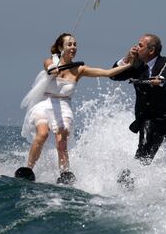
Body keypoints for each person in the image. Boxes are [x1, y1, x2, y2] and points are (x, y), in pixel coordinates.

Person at [17, 33, 133, 184]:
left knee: (62, 142)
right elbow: (49, 68)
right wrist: (53, 69)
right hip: (46, 104)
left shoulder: (80, 69)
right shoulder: (50, 61)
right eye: (69, 44)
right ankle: (28, 169)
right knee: (42, 134)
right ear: (61, 47)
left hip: (64, 106)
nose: (73, 47)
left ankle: (64, 174)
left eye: (75, 45)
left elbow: (107, 73)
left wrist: (130, 63)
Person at [110, 33, 166, 197]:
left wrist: (160, 80)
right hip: (150, 117)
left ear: (151, 50)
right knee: (144, 153)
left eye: (140, 45)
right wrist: (128, 57)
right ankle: (128, 180)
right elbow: (114, 75)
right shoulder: (136, 66)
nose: (136, 47)